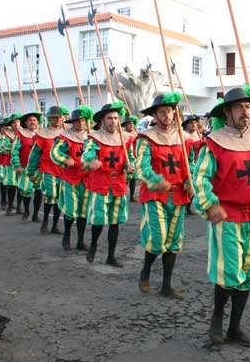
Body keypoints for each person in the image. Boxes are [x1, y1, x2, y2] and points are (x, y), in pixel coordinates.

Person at [193, 86, 250, 347]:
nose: (245, 111)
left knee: (248, 272)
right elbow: (200, 178)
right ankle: (217, 319)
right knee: (229, 271)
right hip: (227, 215)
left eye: (248, 106)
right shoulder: (214, 142)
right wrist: (210, 205)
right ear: (227, 111)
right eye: (239, 106)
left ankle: (235, 327)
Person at [136, 93, 194, 298]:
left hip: (178, 195)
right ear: (155, 114)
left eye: (169, 111)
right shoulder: (146, 138)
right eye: (162, 111)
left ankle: (166, 286)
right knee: (159, 238)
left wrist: (189, 181)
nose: (167, 115)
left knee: (173, 241)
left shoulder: (183, 138)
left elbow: (190, 164)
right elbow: (140, 167)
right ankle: (145, 270)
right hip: (155, 194)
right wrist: (156, 180)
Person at [81, 101, 135, 267]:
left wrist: (130, 166)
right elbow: (86, 155)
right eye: (110, 118)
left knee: (114, 222)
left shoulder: (125, 139)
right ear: (103, 120)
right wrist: (91, 160)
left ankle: (111, 256)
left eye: (116, 118)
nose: (113, 121)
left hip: (118, 184)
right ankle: (93, 244)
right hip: (100, 184)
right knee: (98, 220)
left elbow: (130, 158)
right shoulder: (94, 138)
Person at [51, 106, 93, 251]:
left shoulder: (92, 137)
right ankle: (67, 235)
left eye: (82, 120)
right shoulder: (65, 137)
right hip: (70, 179)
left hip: (87, 180)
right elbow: (54, 153)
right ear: (72, 122)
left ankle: (80, 241)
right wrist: (65, 159)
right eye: (77, 121)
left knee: (83, 211)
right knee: (71, 210)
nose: (80, 123)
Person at [27, 106, 69, 234]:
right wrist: (31, 171)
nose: (56, 120)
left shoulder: (67, 134)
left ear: (62, 118)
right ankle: (45, 221)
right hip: (48, 169)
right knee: (51, 195)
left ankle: (55, 225)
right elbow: (34, 154)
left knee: (60, 198)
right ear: (49, 119)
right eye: (53, 118)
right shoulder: (42, 134)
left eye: (58, 117)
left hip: (63, 171)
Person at [12, 112, 42, 222]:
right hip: (25, 168)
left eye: (34, 120)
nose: (32, 122)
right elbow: (14, 151)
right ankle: (26, 211)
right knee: (26, 190)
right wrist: (17, 165)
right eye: (30, 120)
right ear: (26, 123)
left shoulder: (42, 135)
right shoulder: (20, 135)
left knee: (38, 191)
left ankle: (35, 214)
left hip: (39, 168)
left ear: (38, 122)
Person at [121, 114, 139, 202]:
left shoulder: (135, 134)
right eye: (129, 124)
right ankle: (122, 194)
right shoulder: (122, 135)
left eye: (132, 123)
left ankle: (132, 196)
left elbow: (136, 145)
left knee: (133, 178)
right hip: (125, 157)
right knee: (126, 177)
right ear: (125, 125)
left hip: (133, 157)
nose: (131, 125)